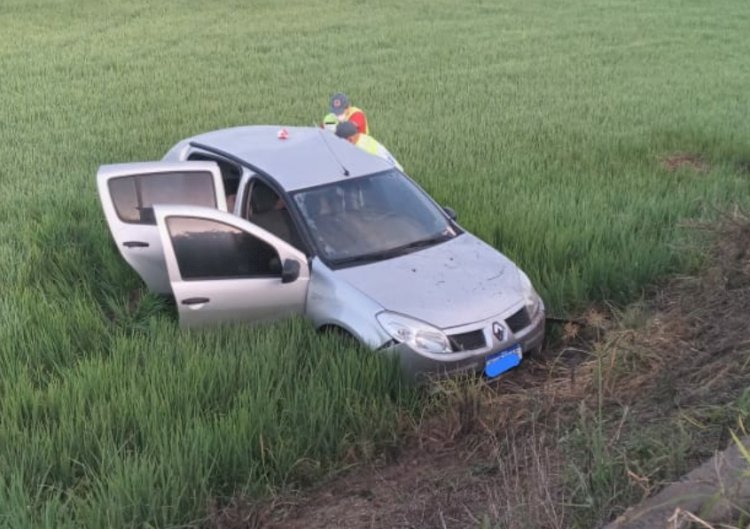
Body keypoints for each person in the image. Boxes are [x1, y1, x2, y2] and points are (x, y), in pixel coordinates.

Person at [335, 121, 403, 171]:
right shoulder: (364, 137)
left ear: (349, 140)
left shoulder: (359, 150)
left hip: (389, 178)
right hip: (399, 174)